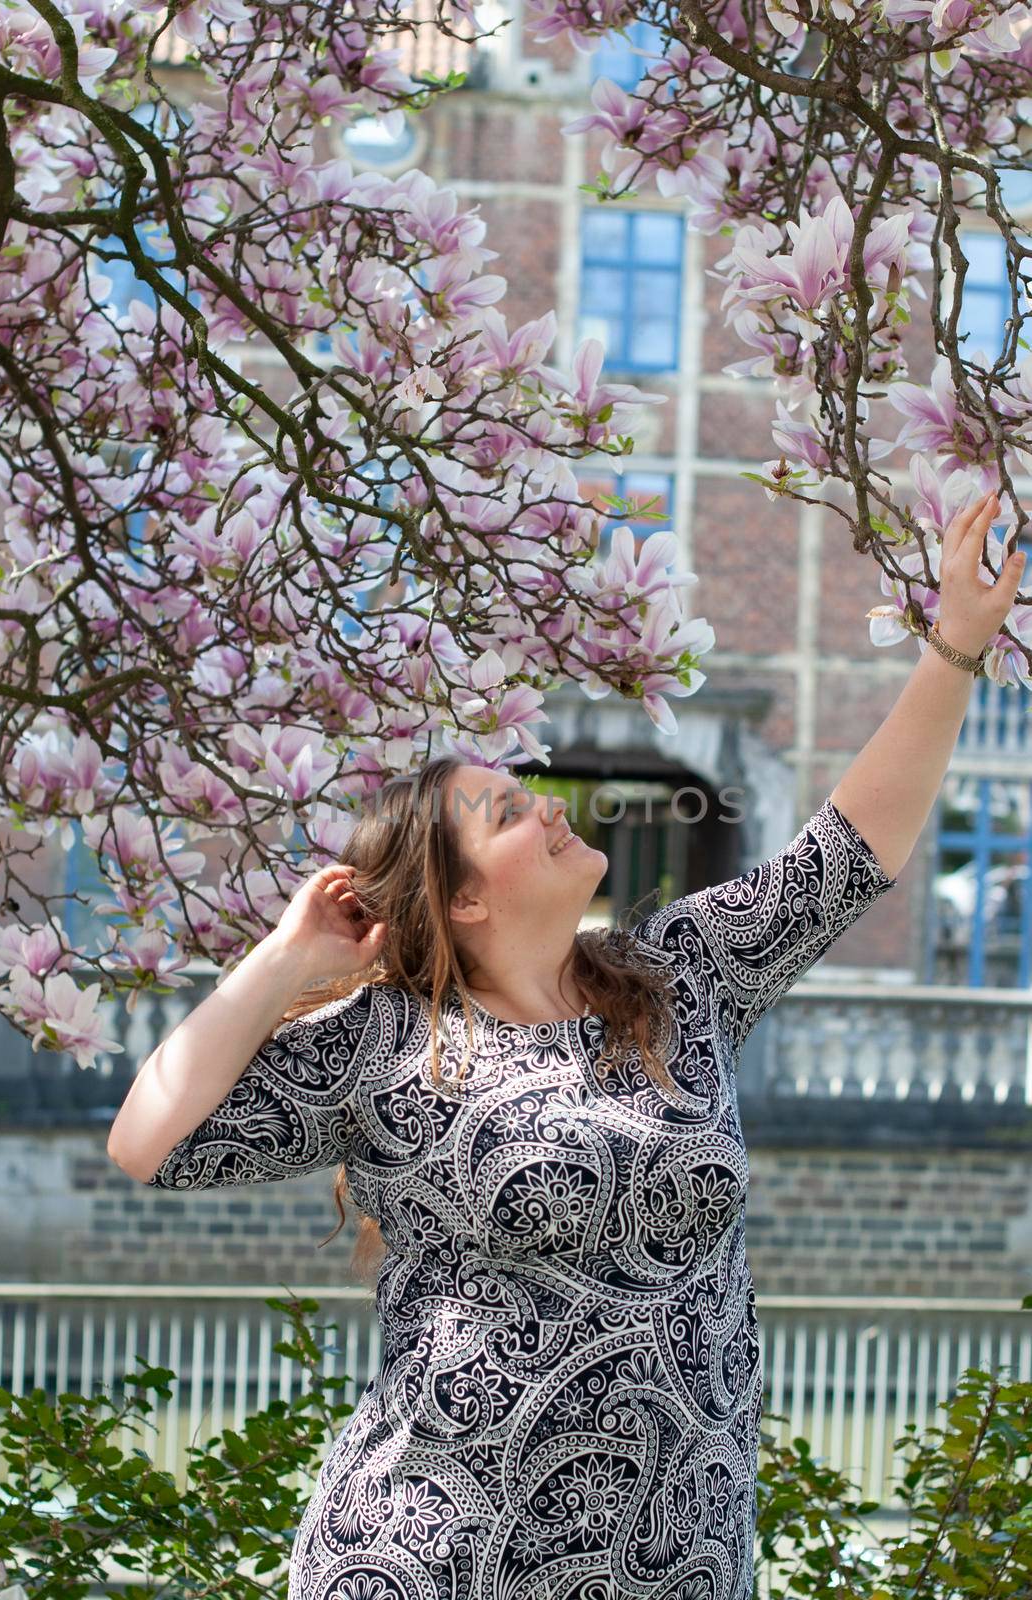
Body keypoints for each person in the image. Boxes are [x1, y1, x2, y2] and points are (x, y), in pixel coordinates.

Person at [107, 489, 1021, 1599]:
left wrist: (953, 649)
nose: (543, 808)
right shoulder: (385, 1047)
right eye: (503, 813)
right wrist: (289, 961)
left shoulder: (681, 975)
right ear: (464, 905)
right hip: (430, 1559)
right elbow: (149, 1139)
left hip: (677, 1560)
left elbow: (850, 850)